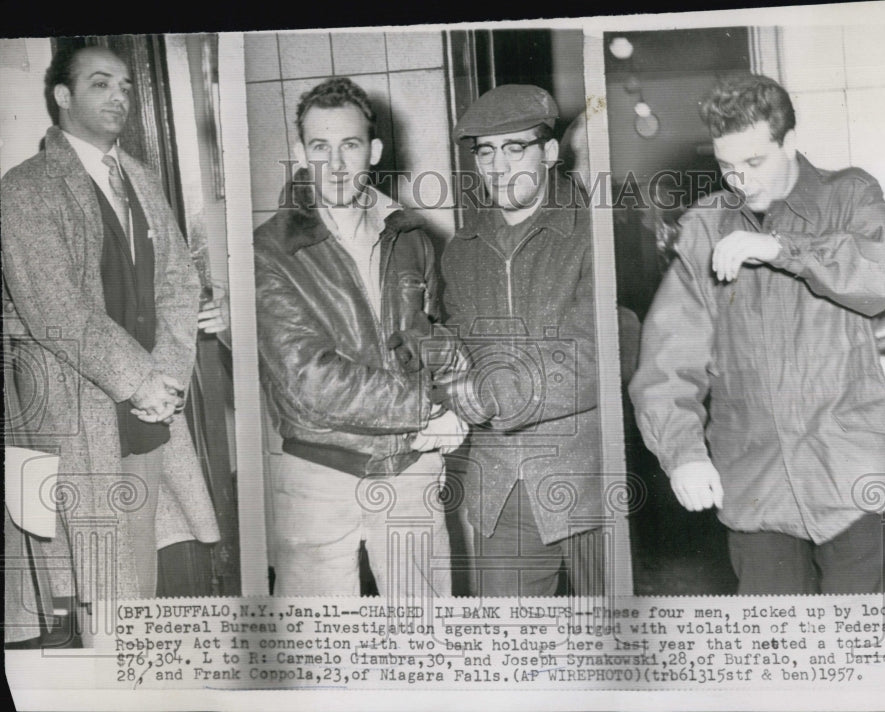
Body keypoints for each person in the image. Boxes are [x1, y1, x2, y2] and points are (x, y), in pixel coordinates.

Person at [629, 73, 885, 595]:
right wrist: (684, 453)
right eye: (726, 166)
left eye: (754, 163)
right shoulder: (706, 228)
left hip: (850, 470)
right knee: (776, 650)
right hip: (753, 478)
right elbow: (669, 362)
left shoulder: (848, 196)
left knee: (860, 650)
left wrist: (785, 251)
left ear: (789, 142)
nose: (741, 182)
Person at [1, 45, 220, 621]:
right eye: (102, 84)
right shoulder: (25, 189)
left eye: (125, 86)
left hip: (145, 412)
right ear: (62, 96)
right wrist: (137, 379)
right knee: (100, 582)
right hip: (77, 414)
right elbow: (56, 309)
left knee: (137, 570)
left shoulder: (140, 180)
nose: (120, 97)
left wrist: (165, 378)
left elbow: (179, 280)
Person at [254, 77, 462, 597]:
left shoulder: (411, 235)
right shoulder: (269, 251)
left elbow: (432, 335)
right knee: (318, 654)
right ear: (300, 152)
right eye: (320, 147)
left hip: (412, 466)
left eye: (349, 145)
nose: (336, 163)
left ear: (373, 150)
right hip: (320, 475)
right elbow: (311, 380)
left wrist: (456, 386)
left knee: (426, 639)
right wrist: (429, 409)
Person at [432, 85, 603, 596]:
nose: (498, 167)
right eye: (486, 151)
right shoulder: (461, 251)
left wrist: (481, 397)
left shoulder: (593, 233)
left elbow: (594, 355)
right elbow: (453, 350)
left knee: (618, 649)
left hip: (590, 479)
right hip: (500, 491)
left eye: (515, 148)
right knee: (513, 657)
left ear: (550, 153)